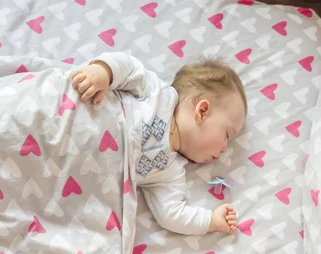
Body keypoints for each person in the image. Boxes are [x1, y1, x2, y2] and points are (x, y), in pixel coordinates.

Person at [71, 52, 247, 237]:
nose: (225, 148)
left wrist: (210, 221)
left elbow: (171, 214)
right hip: (80, 116)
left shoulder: (171, 172)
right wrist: (104, 71)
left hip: (77, 168)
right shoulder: (159, 96)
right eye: (227, 135)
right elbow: (129, 68)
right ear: (202, 111)